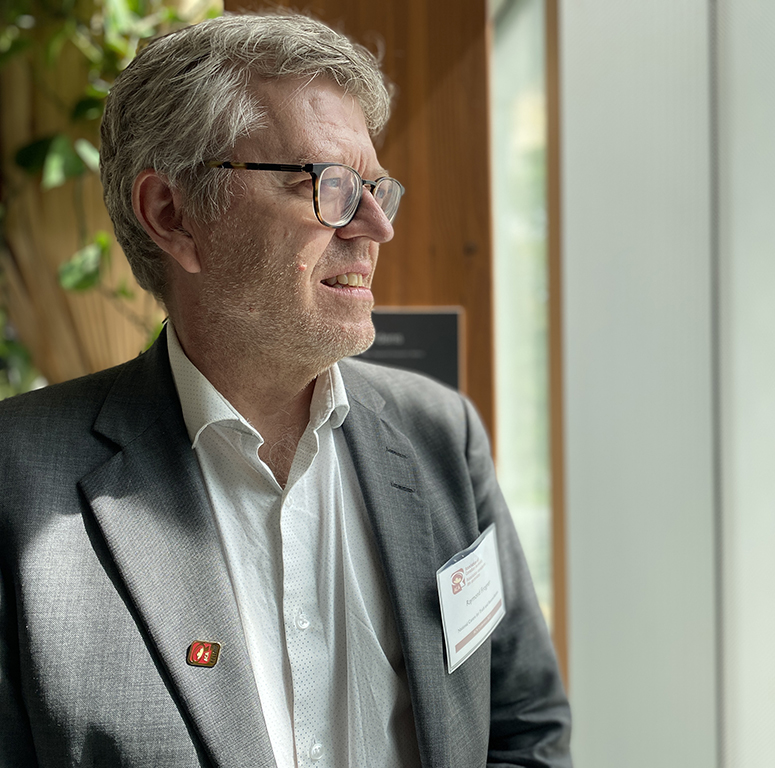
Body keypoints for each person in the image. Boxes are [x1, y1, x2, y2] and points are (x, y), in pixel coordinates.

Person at [0, 12, 571, 767]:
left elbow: (524, 729)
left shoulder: (440, 435)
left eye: (374, 188)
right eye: (330, 186)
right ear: (173, 215)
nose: (375, 226)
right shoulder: (18, 479)